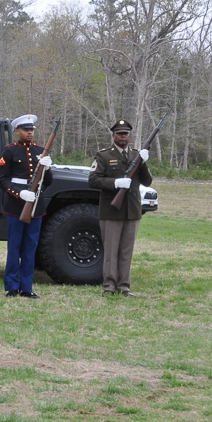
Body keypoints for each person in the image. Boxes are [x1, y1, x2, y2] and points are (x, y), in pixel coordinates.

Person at [88, 119, 152, 297]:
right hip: (111, 209)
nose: (123, 137)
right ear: (113, 136)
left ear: (130, 136)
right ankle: (109, 286)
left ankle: (124, 286)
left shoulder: (136, 155)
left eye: (126, 134)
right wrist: (115, 183)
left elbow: (147, 181)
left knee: (126, 251)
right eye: (119, 134)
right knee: (111, 250)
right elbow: (93, 180)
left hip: (131, 210)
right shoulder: (103, 155)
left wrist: (144, 163)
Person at [0, 114, 53, 298]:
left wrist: (47, 168)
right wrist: (18, 192)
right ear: (17, 131)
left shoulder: (41, 151)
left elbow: (47, 182)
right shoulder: (10, 151)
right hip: (16, 205)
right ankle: (12, 286)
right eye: (26, 130)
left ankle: (27, 287)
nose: (30, 133)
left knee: (30, 248)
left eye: (31, 130)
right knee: (14, 247)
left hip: (35, 206)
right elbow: (2, 179)